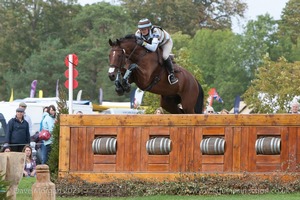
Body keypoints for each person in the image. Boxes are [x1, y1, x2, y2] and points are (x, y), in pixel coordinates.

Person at [135, 18, 178, 85]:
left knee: (164, 56)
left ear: (149, 28)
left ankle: (172, 75)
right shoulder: (138, 33)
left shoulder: (155, 31)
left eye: (144, 29)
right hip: (153, 44)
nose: (142, 31)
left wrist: (143, 43)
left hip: (165, 43)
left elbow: (153, 48)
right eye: (141, 29)